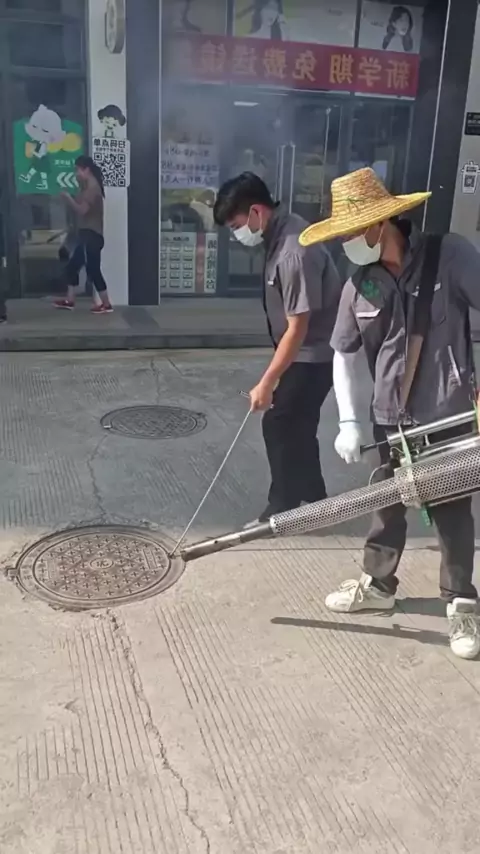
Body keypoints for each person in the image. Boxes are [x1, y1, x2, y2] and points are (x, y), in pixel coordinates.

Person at [299, 166, 480, 660]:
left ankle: (462, 602)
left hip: (447, 414)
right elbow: (344, 354)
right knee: (386, 505)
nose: (346, 244)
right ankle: (378, 586)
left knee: (452, 512)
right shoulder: (360, 285)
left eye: (352, 233)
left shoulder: (450, 255)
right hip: (390, 420)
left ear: (381, 224)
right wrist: (349, 421)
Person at [214, 172, 341, 523]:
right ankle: (315, 499)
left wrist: (267, 382)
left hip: (316, 353)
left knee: (279, 422)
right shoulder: (280, 233)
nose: (236, 234)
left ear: (256, 212)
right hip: (309, 348)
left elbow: (298, 328)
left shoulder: (292, 252)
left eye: (236, 225)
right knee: (300, 423)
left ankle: (282, 507)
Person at [54, 156, 113, 314]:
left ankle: (106, 304)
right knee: (73, 267)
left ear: (86, 169)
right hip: (88, 235)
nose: (76, 174)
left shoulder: (92, 189)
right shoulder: (88, 187)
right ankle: (70, 300)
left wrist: (68, 198)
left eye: (78, 170)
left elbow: (82, 210)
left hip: (91, 236)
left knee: (93, 270)